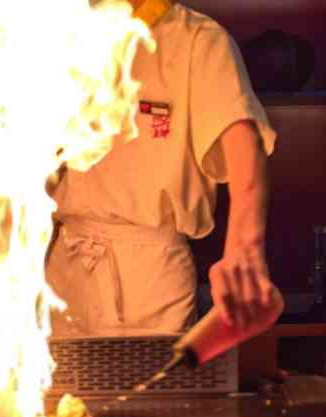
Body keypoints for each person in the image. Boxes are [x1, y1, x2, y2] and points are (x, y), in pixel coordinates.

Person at [46, 0, 279, 335]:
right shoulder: (58, 33)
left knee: (152, 387)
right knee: (54, 387)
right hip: (63, 267)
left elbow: (244, 145)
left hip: (150, 276)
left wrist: (245, 249)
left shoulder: (198, 39)